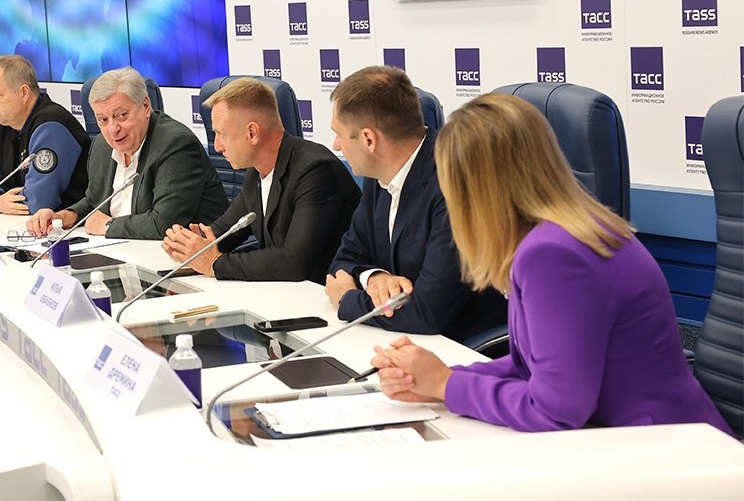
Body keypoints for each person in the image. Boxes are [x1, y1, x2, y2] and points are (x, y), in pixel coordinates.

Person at [370, 93, 734, 435]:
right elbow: (534, 368)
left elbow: (555, 410)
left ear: (476, 188)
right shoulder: (567, 231)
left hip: (660, 447)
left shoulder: (551, 256)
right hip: (655, 433)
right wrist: (436, 378)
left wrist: (445, 385)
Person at [324, 66, 506, 343]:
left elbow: (429, 313)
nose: (336, 146)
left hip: (462, 347)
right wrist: (375, 278)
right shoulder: (378, 176)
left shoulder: (453, 184)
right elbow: (344, 260)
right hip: (403, 340)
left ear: (369, 139)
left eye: (339, 134)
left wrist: (348, 299)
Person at [161, 78, 361, 281]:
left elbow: (294, 262)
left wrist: (214, 263)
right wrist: (190, 245)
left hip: (325, 295)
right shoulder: (256, 172)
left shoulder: (315, 171)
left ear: (252, 133)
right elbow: (225, 232)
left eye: (222, 134)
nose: (218, 146)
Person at [27, 67, 228, 239]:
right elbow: (95, 200)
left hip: (185, 257)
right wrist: (64, 216)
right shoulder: (101, 145)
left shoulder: (175, 144)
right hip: (124, 250)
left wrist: (107, 226)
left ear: (146, 106)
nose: (113, 129)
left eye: (121, 115)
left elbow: (164, 223)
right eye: (103, 120)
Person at [0, 55, 91, 215]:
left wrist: (1, 202)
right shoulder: (1, 131)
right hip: (20, 223)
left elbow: (38, 202)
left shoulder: (51, 126)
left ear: (24, 92)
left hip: (67, 224)